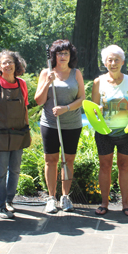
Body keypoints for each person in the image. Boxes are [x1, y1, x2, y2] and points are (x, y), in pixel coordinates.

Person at [34, 40, 85, 213]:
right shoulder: (45, 73)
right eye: (59, 53)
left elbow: (81, 99)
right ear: (53, 56)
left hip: (72, 124)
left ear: (70, 56)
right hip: (50, 124)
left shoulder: (75, 73)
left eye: (66, 54)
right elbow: (39, 100)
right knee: (51, 160)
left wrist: (66, 108)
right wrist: (48, 82)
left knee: (68, 160)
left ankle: (65, 196)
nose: (63, 57)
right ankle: (51, 197)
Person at [0, 50, 30, 219]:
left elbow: (24, 109)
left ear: (16, 65)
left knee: (15, 170)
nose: (8, 65)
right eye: (4, 63)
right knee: (0, 171)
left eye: (11, 62)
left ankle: (9, 201)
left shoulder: (21, 84)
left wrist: (27, 130)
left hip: (18, 133)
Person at [92, 45, 128, 216]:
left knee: (124, 167)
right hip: (104, 132)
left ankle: (125, 204)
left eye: (116, 60)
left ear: (122, 62)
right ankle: (104, 203)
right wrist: (98, 111)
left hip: (126, 131)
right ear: (105, 63)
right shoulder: (98, 82)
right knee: (105, 167)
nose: (113, 63)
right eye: (109, 60)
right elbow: (93, 110)